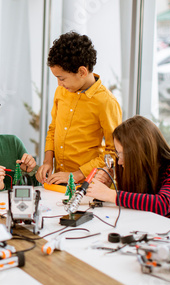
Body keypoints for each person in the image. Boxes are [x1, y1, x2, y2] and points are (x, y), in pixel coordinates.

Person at [86, 115, 170, 232]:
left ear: (140, 153)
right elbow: (136, 201)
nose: (119, 162)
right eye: (118, 154)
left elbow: (162, 204)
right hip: (156, 230)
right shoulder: (140, 168)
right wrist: (110, 185)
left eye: (123, 154)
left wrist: (110, 194)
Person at [36, 31, 122, 185]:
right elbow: (53, 129)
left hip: (89, 185)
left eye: (62, 78)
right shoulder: (61, 92)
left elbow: (114, 152)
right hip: (59, 181)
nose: (59, 84)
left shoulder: (106, 102)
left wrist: (78, 174)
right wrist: (48, 161)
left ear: (82, 72)